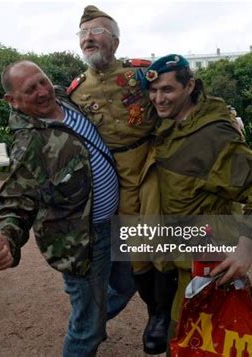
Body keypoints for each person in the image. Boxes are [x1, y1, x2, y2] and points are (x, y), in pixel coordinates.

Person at [0, 60, 136, 356]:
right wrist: (6, 237)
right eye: (30, 89)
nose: (42, 91)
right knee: (86, 328)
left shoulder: (66, 97)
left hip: (117, 223)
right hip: (83, 243)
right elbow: (16, 200)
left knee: (128, 284)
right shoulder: (29, 144)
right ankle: (88, 327)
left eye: (43, 81)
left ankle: (93, 317)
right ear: (12, 100)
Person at [139, 54, 252, 346]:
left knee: (200, 342)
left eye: (167, 90)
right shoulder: (170, 123)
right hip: (177, 261)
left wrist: (247, 247)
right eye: (153, 91)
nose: (158, 98)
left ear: (190, 86)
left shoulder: (213, 136)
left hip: (205, 267)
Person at [68, 5, 176, 354]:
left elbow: (181, 95)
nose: (88, 38)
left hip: (149, 162)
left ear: (115, 40)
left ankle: (159, 315)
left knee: (158, 240)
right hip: (112, 177)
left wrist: (230, 116)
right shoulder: (76, 91)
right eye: (82, 33)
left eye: (96, 31)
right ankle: (149, 312)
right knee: (133, 252)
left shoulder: (141, 75)